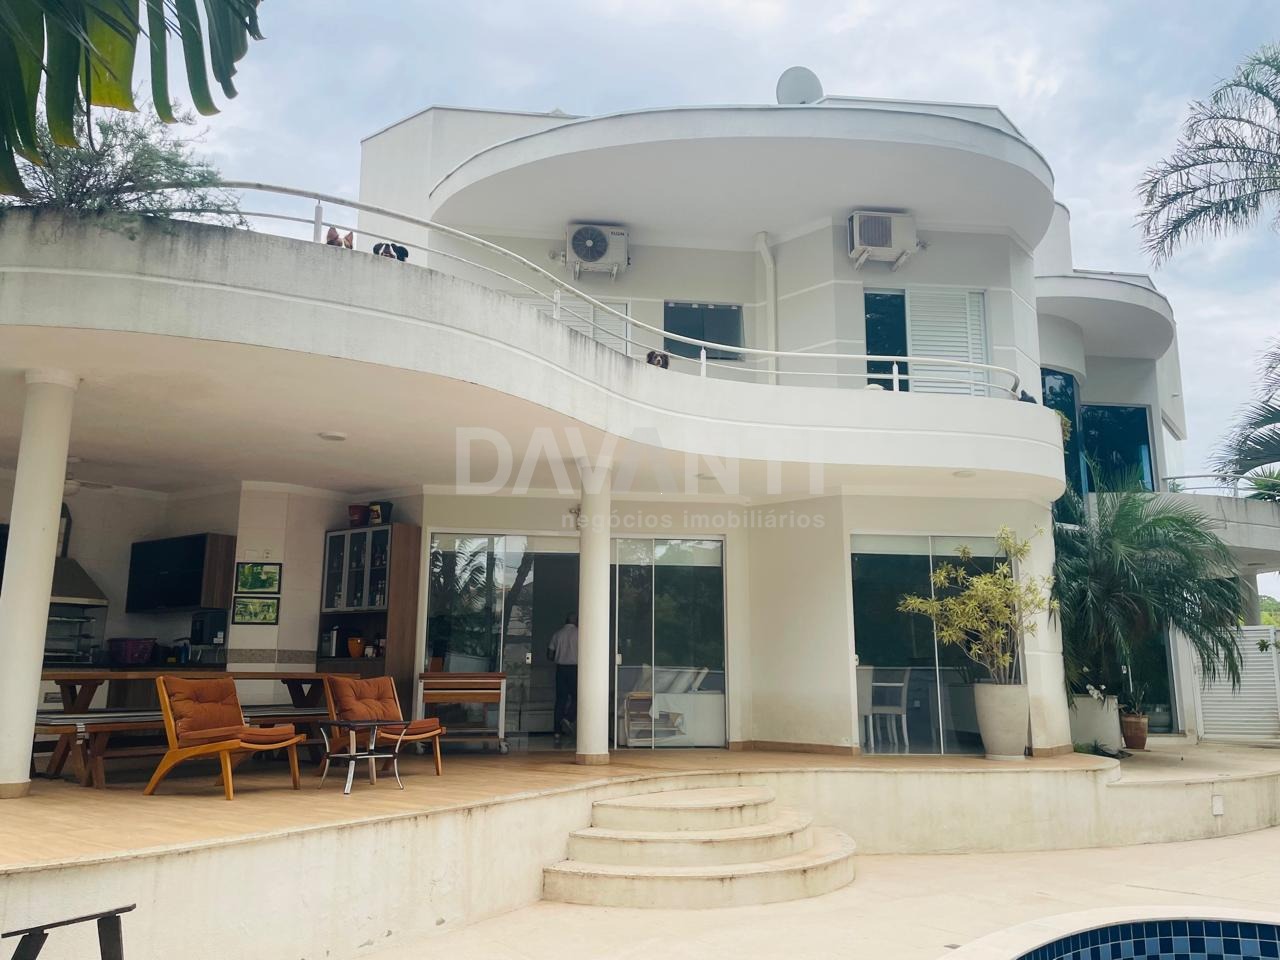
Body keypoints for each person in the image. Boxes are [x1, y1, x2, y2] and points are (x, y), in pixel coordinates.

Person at [548, 613, 578, 744]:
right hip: (575, 669)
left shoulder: (557, 634)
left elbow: (550, 654)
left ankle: (557, 732)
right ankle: (568, 718)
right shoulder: (580, 634)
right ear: (575, 621)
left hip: (560, 669)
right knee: (578, 696)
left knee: (560, 699)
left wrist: (560, 655)